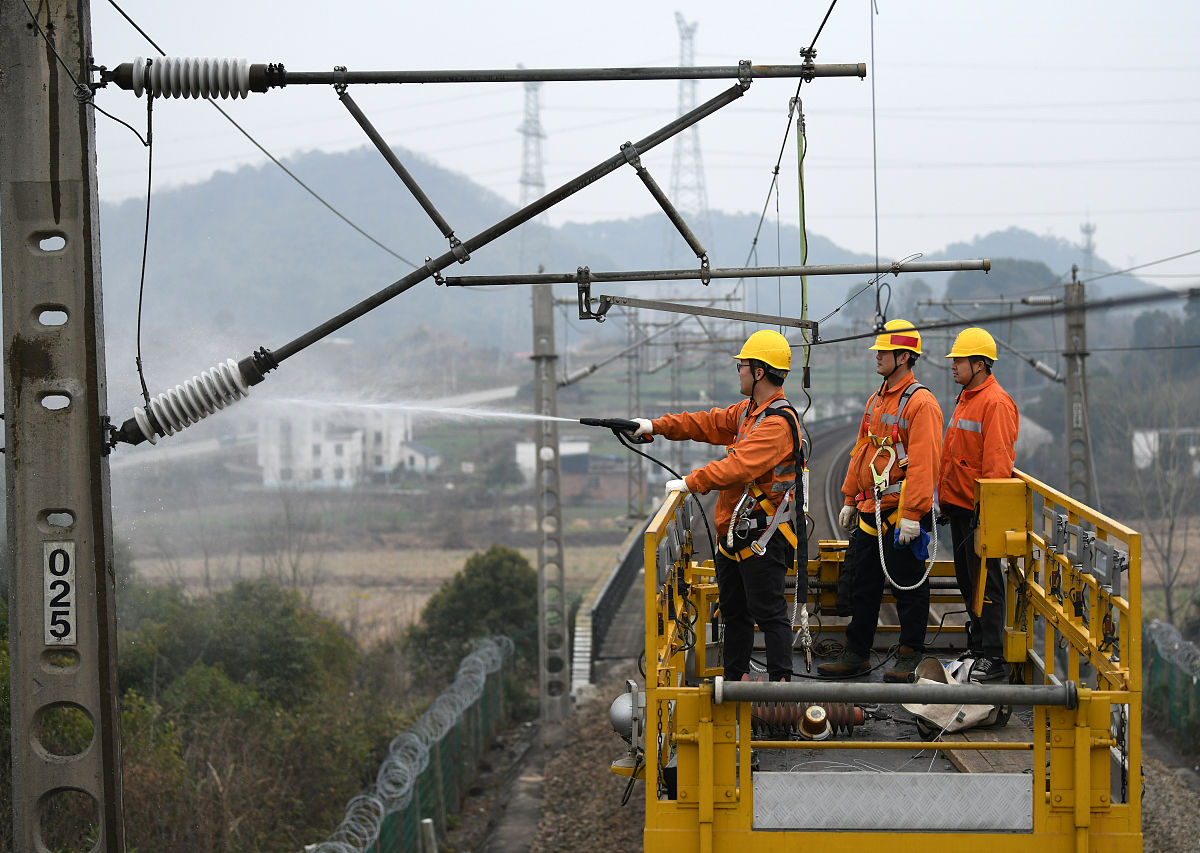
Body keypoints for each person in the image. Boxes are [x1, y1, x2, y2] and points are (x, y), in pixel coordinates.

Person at [631, 329, 804, 683]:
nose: (738, 371)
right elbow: (707, 422)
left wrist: (691, 482)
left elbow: (739, 467)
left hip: (762, 536)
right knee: (734, 612)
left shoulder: (776, 424)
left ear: (759, 372)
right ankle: (736, 680)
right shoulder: (749, 413)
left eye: (742, 365)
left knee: (769, 613)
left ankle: (780, 689)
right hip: (736, 532)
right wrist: (655, 426)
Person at [819, 319, 943, 683]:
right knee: (863, 587)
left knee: (909, 587)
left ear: (903, 356)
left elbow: (924, 463)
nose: (878, 357)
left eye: (884, 352)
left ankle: (910, 655)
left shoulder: (922, 404)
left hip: (900, 515)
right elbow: (861, 451)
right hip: (870, 511)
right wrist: (848, 497)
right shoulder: (878, 398)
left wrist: (912, 514)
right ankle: (856, 652)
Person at [939, 327, 1020, 683]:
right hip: (960, 507)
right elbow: (956, 454)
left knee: (987, 583)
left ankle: (993, 656)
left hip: (978, 512)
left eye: (959, 360)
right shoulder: (967, 396)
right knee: (968, 580)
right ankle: (977, 644)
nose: (953, 366)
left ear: (980, 364)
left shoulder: (995, 403)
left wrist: (985, 515)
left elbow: (997, 466)